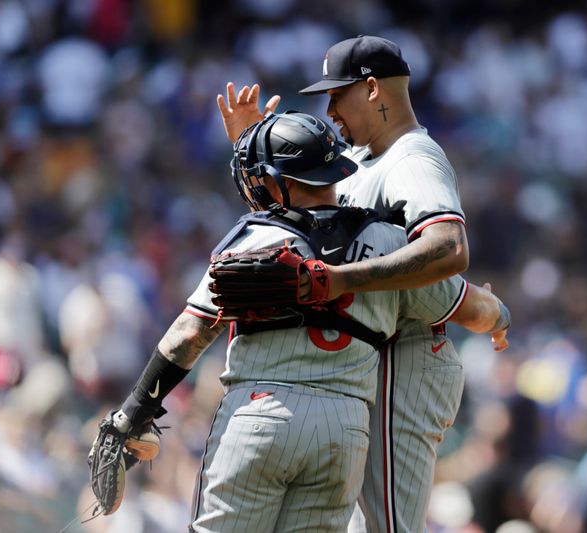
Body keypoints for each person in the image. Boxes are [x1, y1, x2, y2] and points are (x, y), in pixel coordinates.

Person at [92, 111, 508, 532]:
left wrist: (131, 413)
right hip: (344, 429)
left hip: (261, 412)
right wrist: (498, 315)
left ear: (285, 182)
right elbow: (470, 307)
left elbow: (189, 334)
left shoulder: (256, 239)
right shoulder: (390, 244)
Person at [216, 35, 504, 532]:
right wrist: (255, 150)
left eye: (336, 94)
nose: (328, 108)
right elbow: (300, 237)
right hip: (359, 361)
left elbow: (449, 249)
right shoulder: (357, 160)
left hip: (405, 355)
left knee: (384, 526)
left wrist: (339, 280)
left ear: (372, 89)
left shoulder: (412, 157)